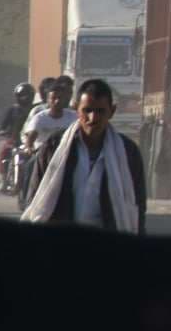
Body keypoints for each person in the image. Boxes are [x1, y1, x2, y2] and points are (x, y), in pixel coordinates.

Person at [21, 79, 145, 233]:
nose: (93, 118)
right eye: (87, 110)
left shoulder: (128, 152)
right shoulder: (54, 147)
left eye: (100, 111)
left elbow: (138, 205)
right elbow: (35, 197)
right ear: (76, 109)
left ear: (112, 111)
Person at [21, 79, 77, 152]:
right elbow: (30, 140)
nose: (57, 101)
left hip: (66, 153)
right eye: (53, 98)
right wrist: (29, 149)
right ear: (48, 100)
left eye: (60, 98)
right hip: (42, 154)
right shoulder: (39, 118)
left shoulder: (73, 116)